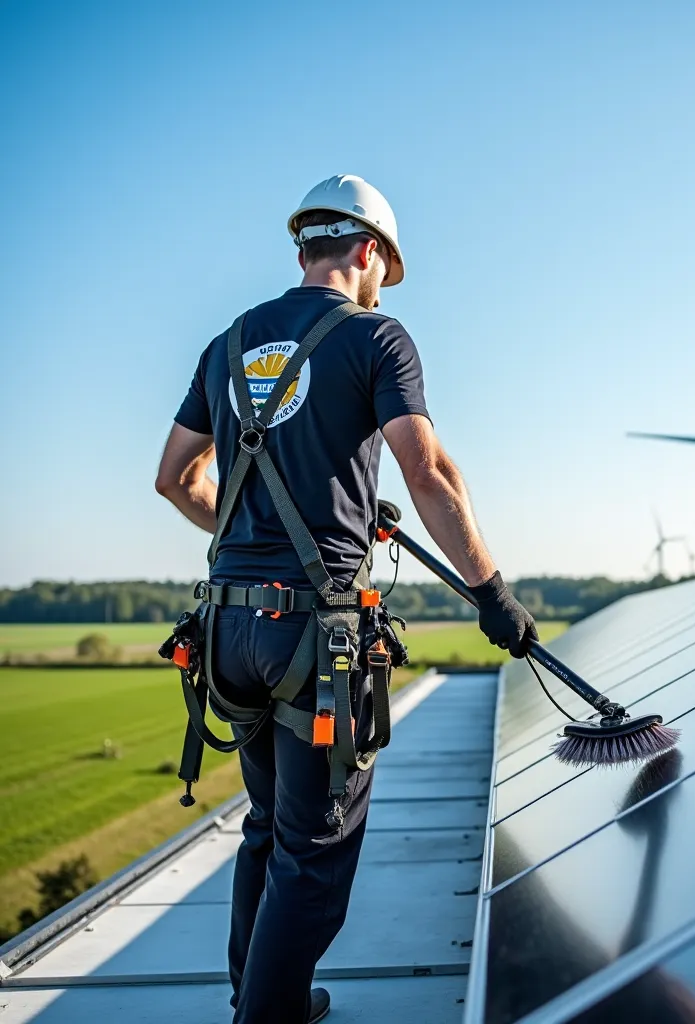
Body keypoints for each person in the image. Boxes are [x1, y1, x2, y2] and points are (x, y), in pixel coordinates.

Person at [155, 173, 537, 1024]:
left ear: (304, 248)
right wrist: (491, 591)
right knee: (315, 851)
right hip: (314, 641)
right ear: (369, 252)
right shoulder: (378, 339)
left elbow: (176, 480)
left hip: (228, 632)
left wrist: (263, 540)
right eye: (383, 271)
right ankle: (269, 1014)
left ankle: (259, 996)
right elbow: (428, 470)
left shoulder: (227, 344)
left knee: (268, 827)